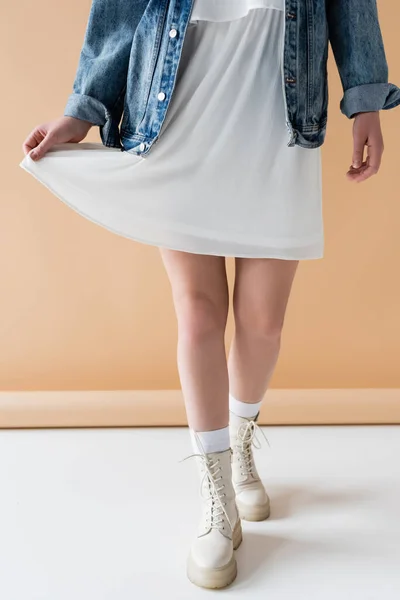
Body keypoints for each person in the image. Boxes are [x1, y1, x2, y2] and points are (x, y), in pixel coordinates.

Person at [20, 0, 399, 590]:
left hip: (280, 101)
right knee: (197, 315)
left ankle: (241, 443)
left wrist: (365, 98)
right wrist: (84, 109)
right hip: (180, 98)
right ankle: (216, 493)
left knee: (263, 322)